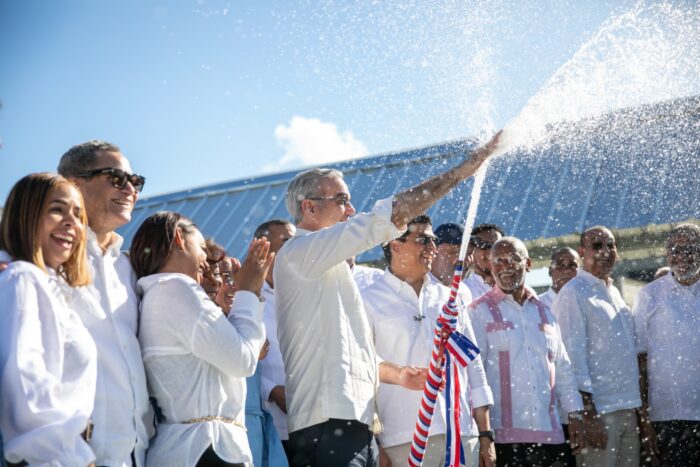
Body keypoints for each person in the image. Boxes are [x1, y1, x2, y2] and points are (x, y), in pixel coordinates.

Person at [274, 132, 502, 467]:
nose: (351, 210)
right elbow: (387, 217)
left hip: (355, 423)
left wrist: (399, 375)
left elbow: (348, 352)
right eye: (342, 200)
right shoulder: (298, 252)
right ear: (309, 207)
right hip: (326, 424)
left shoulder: (331, 267)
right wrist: (459, 173)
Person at [130, 212, 273, 467]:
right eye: (202, 249)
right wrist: (248, 292)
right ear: (178, 239)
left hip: (193, 448)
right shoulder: (177, 288)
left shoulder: (157, 293)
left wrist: (247, 297)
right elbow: (243, 361)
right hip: (206, 448)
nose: (207, 263)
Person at [362, 215, 495, 467]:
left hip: (462, 434)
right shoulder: (367, 301)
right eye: (423, 240)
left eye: (433, 240)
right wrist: (375, 441)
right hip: (402, 439)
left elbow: (473, 365)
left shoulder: (449, 298)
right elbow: (362, 373)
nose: (433, 247)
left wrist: (485, 433)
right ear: (395, 244)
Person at [58, 140, 150, 466]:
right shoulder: (40, 262)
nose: (130, 189)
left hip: (137, 454)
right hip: (70, 454)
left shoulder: (131, 270)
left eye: (135, 181)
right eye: (116, 178)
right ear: (73, 185)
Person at [0, 173, 97, 466]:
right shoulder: (22, 278)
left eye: (78, 215)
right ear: (25, 217)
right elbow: (25, 381)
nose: (72, 223)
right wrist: (72, 457)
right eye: (57, 209)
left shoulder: (46, 285)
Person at [468, 237, 584, 467]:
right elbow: (473, 377)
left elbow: (562, 369)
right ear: (491, 266)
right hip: (503, 439)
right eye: (498, 261)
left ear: (528, 264)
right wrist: (483, 434)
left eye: (513, 259)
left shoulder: (545, 312)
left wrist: (575, 414)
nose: (505, 266)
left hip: (550, 434)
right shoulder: (477, 312)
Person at [552, 226, 643, 467]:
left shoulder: (614, 292)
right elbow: (570, 359)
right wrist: (588, 415)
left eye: (610, 245)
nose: (605, 251)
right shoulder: (573, 293)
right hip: (599, 413)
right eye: (596, 246)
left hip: (627, 407)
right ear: (583, 252)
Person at [632, 224, 700, 466]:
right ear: (666, 253)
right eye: (674, 249)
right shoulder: (649, 295)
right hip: (668, 416)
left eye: (689, 249)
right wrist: (644, 420)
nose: (681, 256)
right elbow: (639, 360)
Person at [254, 220, 296, 458]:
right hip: (270, 425)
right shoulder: (246, 295)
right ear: (263, 247)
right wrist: (271, 390)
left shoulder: (307, 291)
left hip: (315, 422)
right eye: (287, 242)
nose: (296, 248)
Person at [462, 224, 505, 300]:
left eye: (497, 245)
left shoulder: (516, 289)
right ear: (472, 251)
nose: (491, 251)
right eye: (483, 245)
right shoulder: (463, 291)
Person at [430, 222, 465, 287]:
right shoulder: (419, 287)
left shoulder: (463, 290)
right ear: (433, 250)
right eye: (453, 251)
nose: (459, 259)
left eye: (463, 253)